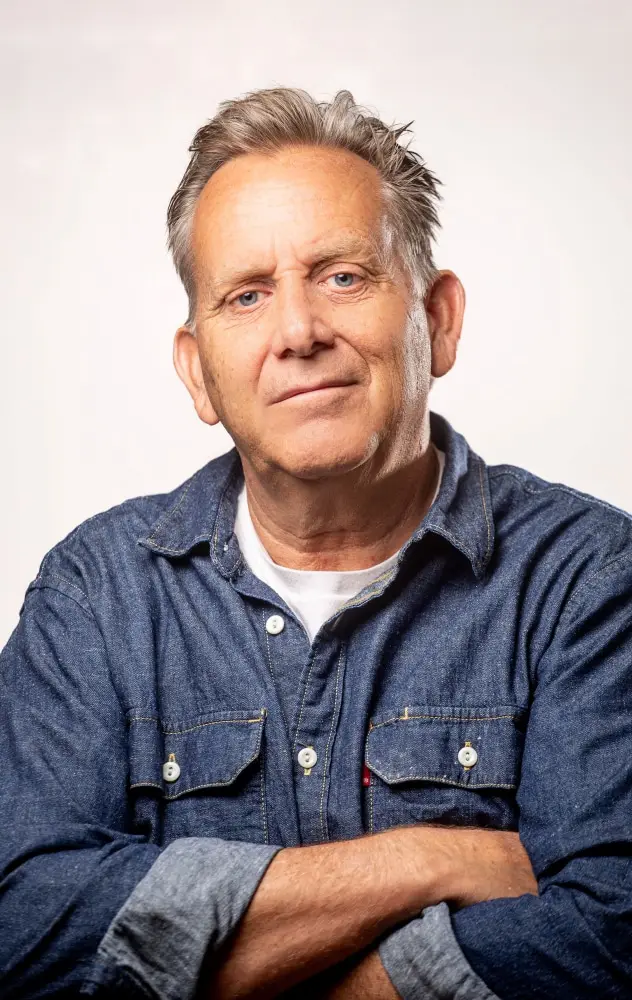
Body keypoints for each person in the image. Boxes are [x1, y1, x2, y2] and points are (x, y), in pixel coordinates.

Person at [1, 86, 631, 1000]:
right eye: (247, 295)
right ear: (198, 372)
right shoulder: (96, 594)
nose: (298, 332)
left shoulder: (588, 579)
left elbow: (609, 939)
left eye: (342, 276)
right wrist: (427, 861)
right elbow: (22, 933)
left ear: (438, 320)